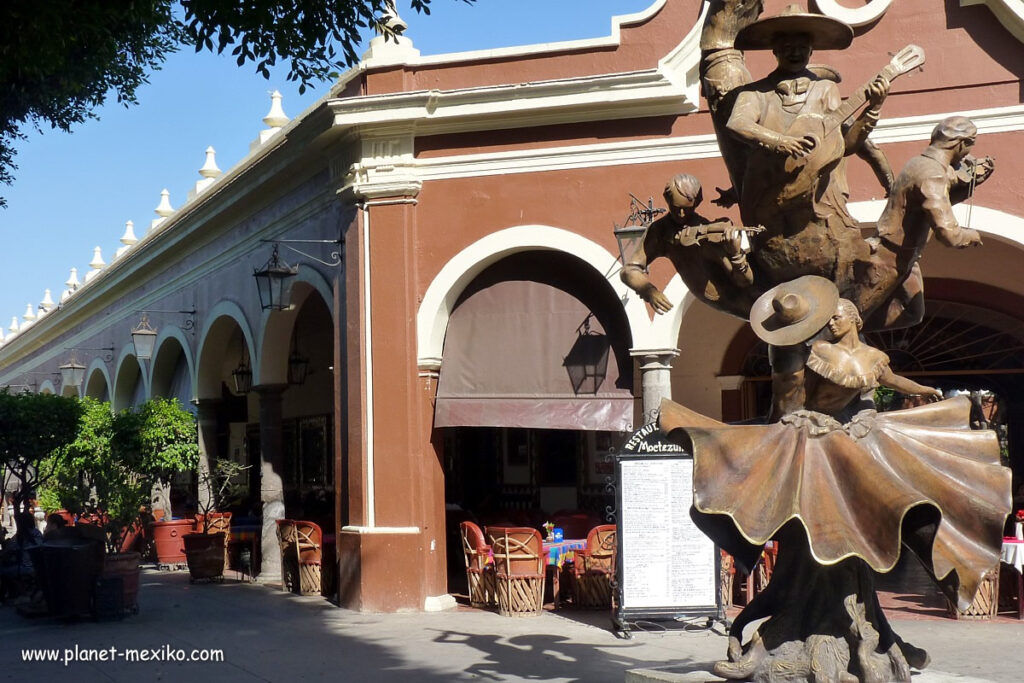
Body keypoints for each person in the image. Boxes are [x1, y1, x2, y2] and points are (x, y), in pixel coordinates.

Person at [659, 275, 1011, 680]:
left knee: (898, 487)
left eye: (840, 318)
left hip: (853, 435)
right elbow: (790, 397)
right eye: (830, 320)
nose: (833, 324)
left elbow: (891, 382)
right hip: (812, 435)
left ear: (855, 320)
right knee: (803, 501)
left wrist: (925, 389)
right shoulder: (817, 352)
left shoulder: (874, 357)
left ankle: (869, 624)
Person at [724, 5, 890, 291]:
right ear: (774, 51)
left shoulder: (826, 90)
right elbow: (737, 124)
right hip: (770, 200)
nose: (795, 52)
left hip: (820, 196)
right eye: (786, 46)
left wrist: (873, 107)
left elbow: (845, 145)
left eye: (802, 46)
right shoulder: (755, 93)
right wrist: (781, 142)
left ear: (812, 51)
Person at [862, 116, 994, 329]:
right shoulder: (932, 174)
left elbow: (929, 203)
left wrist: (967, 184)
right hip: (888, 259)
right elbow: (948, 233)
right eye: (970, 146)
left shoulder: (920, 163)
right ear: (961, 143)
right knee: (856, 314)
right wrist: (972, 236)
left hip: (906, 257)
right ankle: (850, 335)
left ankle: (858, 331)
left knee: (913, 313)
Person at [619, 173, 758, 318]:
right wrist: (649, 291)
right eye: (675, 207)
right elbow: (628, 270)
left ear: (697, 203)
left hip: (739, 298)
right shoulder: (660, 231)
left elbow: (744, 282)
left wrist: (736, 254)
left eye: (687, 208)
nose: (680, 213)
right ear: (668, 201)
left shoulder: (710, 236)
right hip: (716, 299)